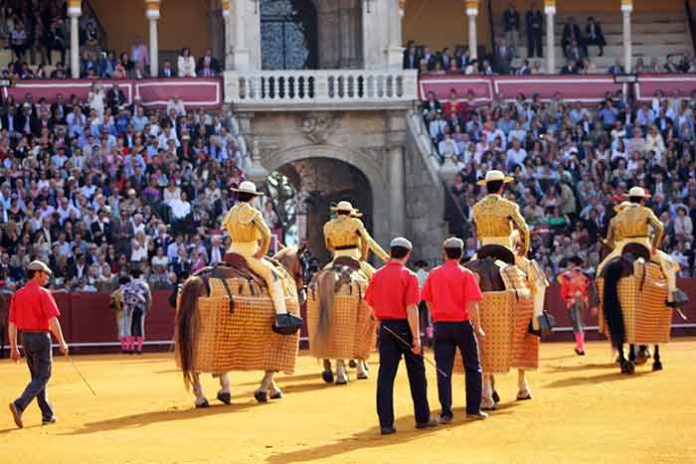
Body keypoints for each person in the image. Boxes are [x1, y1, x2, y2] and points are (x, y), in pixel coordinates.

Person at [365, 237, 438, 435]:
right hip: (405, 327)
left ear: (390, 251)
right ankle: (422, 418)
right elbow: (411, 308)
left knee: (385, 377)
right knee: (417, 374)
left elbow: (369, 304)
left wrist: (380, 321)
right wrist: (416, 338)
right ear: (407, 254)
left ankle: (386, 424)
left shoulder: (377, 275)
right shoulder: (410, 276)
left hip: (386, 328)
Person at [421, 237, 488, 422]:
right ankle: (473, 410)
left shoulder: (434, 274)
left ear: (445, 253)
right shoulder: (466, 274)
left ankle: (446, 412)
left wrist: (435, 315)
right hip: (462, 325)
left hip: (441, 325)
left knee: (443, 370)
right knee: (473, 367)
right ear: (461, 253)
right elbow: (472, 305)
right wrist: (478, 327)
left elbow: (426, 298)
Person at [223, 181, 302, 333]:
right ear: (252, 198)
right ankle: (281, 316)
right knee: (275, 277)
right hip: (249, 254)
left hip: (232, 252)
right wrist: (261, 253)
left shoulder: (231, 212)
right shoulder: (253, 213)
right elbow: (266, 234)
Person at [598, 187, 687, 308]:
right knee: (669, 264)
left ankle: (599, 296)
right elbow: (660, 228)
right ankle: (672, 296)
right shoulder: (646, 211)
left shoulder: (616, 217)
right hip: (643, 243)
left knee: (601, 267)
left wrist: (613, 247)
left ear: (629, 198)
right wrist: (654, 246)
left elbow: (609, 241)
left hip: (622, 246)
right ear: (642, 200)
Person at [8, 260, 69, 429]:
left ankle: (47, 415)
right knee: (43, 376)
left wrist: (13, 347)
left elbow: (12, 323)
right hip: (41, 337)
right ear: (36, 274)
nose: (47, 276)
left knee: (37, 378)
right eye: (45, 274)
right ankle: (19, 405)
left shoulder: (18, 294)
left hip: (25, 338)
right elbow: (53, 320)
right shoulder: (43, 293)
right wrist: (62, 342)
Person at [471, 170, 530, 265]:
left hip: (484, 248)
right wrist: (523, 250)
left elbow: (476, 231)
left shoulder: (477, 208)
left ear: (486, 187)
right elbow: (524, 229)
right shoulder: (509, 206)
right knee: (532, 271)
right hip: (506, 248)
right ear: (502, 187)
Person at [323, 201, 389, 278]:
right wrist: (384, 256)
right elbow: (368, 241)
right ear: (350, 213)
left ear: (337, 212)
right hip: (354, 257)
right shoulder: (355, 223)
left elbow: (328, 245)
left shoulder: (328, 226)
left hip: (337, 257)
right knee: (378, 278)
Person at [558, 256, 595, 355]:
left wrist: (567, 299)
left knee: (577, 324)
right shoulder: (586, 275)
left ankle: (580, 347)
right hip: (583, 301)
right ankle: (579, 345)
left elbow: (563, 291)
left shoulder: (566, 276)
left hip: (573, 301)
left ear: (573, 264)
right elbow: (591, 289)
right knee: (581, 323)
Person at [121, 269, 152, 354]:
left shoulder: (127, 285)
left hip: (130, 308)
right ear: (140, 275)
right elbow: (149, 298)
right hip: (141, 308)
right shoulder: (144, 285)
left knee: (130, 327)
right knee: (140, 327)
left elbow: (123, 299)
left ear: (131, 276)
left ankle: (130, 347)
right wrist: (148, 308)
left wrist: (125, 308)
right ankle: (139, 348)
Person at [111, 275, 131, 353]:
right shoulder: (131, 291)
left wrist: (117, 304)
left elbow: (111, 305)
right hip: (129, 313)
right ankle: (129, 347)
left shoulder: (116, 292)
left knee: (122, 331)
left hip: (120, 313)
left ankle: (124, 348)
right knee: (128, 330)